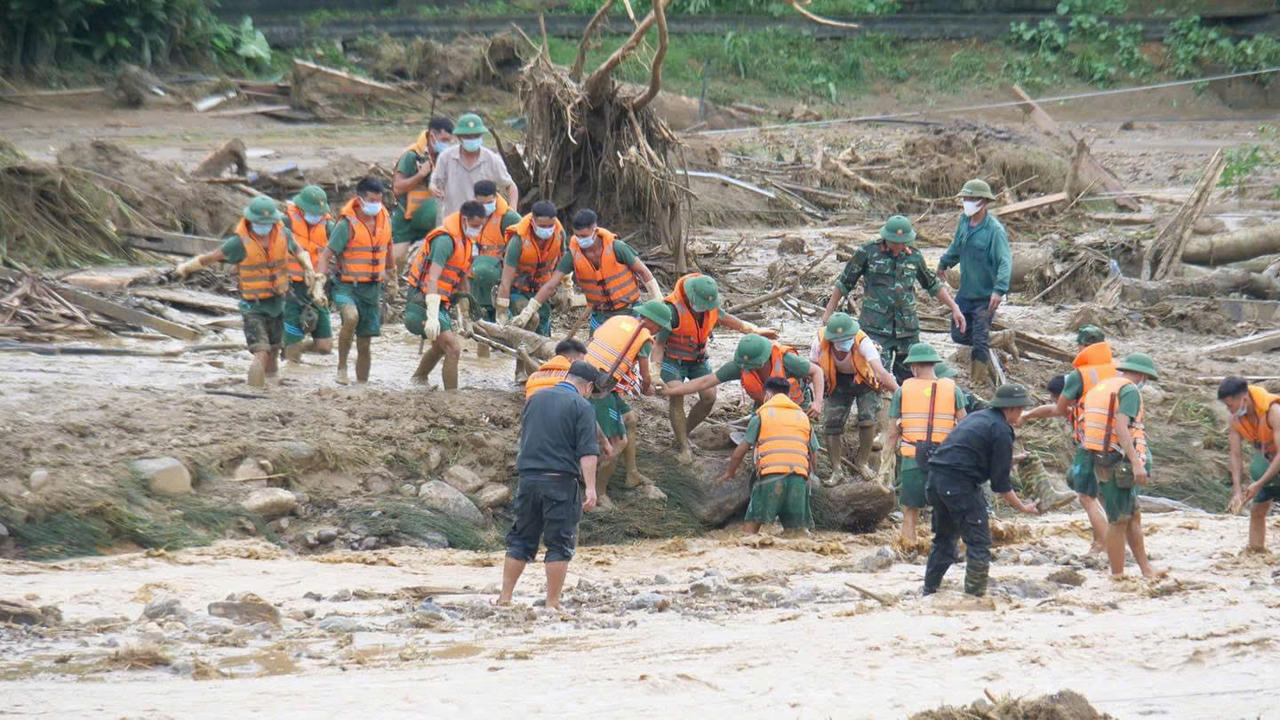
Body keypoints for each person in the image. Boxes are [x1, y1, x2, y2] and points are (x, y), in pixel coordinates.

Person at [174, 197, 324, 387]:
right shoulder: (238, 243)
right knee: (261, 352)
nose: (264, 227)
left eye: (268, 223)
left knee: (274, 351)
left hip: (278, 303)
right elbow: (212, 258)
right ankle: (254, 393)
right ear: (251, 221)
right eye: (260, 223)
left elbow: (299, 250)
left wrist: (308, 268)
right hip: (253, 306)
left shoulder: (282, 234)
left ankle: (271, 386)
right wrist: (187, 267)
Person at [497, 360, 601, 611]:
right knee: (559, 543)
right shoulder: (582, 406)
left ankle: (505, 598)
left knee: (520, 539)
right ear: (587, 386)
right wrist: (591, 488)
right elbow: (588, 453)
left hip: (528, 478)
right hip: (560, 482)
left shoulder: (536, 398)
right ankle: (552, 603)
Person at [923, 384, 1039, 597]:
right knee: (979, 543)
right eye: (1021, 409)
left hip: (935, 481)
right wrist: (1023, 507)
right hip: (960, 486)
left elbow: (969, 454)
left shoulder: (978, 418)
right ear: (1012, 408)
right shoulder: (1002, 430)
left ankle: (929, 591)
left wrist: (1010, 460)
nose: (1021, 414)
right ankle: (974, 598)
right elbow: (1000, 485)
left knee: (944, 540)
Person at [822, 215, 966, 383]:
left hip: (907, 330)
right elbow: (844, 283)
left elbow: (932, 284)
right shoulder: (867, 252)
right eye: (895, 242)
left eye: (903, 242)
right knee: (874, 376)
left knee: (913, 378)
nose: (899, 246)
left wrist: (954, 308)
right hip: (876, 328)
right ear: (885, 238)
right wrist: (828, 313)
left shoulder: (915, 257)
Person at [652, 273, 777, 464]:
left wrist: (754, 330)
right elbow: (658, 344)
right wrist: (655, 371)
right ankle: (684, 447)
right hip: (673, 359)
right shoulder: (672, 311)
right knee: (676, 396)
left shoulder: (710, 307)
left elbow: (728, 319)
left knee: (709, 398)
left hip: (698, 358)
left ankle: (682, 434)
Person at [1022, 325, 1116, 552]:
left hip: (1091, 441)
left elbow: (1058, 409)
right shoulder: (1115, 371)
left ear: (1083, 347)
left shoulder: (1079, 376)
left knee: (1087, 496)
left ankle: (1102, 544)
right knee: (1107, 495)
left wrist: (1027, 415)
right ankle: (1114, 542)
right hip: (1118, 440)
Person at [1080, 353, 1166, 579]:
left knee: (1132, 515)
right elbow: (1121, 427)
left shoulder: (1102, 387)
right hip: (1117, 460)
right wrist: (1137, 462)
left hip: (1100, 457)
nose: (1143, 381)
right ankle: (1117, 576)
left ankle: (1146, 570)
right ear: (1140, 374)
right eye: (1145, 377)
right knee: (1118, 520)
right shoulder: (1129, 391)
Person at [583, 300, 673, 509]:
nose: (659, 331)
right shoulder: (643, 338)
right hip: (598, 391)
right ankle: (599, 493)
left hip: (589, 379)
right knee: (616, 443)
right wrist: (649, 389)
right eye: (659, 326)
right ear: (650, 321)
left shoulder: (618, 320)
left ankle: (631, 473)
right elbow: (645, 376)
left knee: (630, 419)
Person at [512, 209, 663, 333]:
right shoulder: (572, 256)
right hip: (600, 314)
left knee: (632, 351)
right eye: (577, 236)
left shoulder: (617, 247)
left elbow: (644, 273)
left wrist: (658, 302)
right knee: (593, 358)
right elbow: (551, 285)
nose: (581, 240)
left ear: (595, 231)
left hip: (629, 311)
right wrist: (529, 311)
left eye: (584, 236)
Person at [887, 343, 968, 550]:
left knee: (910, 509)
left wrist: (885, 462)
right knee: (949, 506)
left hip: (913, 456)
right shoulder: (953, 389)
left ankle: (908, 547)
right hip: (945, 458)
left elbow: (892, 432)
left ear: (914, 367)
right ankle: (951, 548)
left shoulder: (903, 391)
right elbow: (966, 426)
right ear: (933, 364)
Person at [317, 177, 397, 385]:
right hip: (346, 286)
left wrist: (393, 277)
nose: (376, 205)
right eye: (371, 200)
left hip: (372, 289)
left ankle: (363, 386)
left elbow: (388, 250)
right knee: (350, 318)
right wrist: (319, 283)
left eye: (379, 200)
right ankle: (341, 367)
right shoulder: (346, 224)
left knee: (365, 343)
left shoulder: (385, 220)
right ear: (360, 200)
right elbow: (326, 256)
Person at [717, 377, 821, 536]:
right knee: (797, 536)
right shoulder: (803, 417)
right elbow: (814, 454)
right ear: (788, 395)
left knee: (749, 533)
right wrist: (811, 475)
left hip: (771, 479)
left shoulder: (761, 415)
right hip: (798, 480)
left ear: (767, 395)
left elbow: (740, 451)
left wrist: (730, 472)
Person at [936, 179, 1012, 391]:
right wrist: (943, 264)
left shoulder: (994, 230)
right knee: (958, 333)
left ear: (983, 202)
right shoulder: (963, 222)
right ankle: (1001, 338)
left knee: (979, 338)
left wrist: (999, 289)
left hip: (985, 295)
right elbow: (956, 247)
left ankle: (977, 381)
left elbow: (1005, 261)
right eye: (965, 198)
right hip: (966, 291)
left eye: (971, 199)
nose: (966, 202)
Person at [404, 201, 485, 390]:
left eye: (480, 226)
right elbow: (432, 279)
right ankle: (451, 397)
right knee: (453, 348)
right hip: (422, 299)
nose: (477, 230)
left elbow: (463, 279)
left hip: (441, 301)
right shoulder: (445, 240)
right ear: (464, 220)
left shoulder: (467, 241)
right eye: (474, 226)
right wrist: (432, 317)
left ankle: (418, 379)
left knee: (439, 347)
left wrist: (467, 315)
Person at [811, 312, 897, 486]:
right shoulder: (819, 342)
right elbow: (814, 371)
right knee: (831, 425)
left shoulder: (863, 342)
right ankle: (836, 470)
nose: (845, 342)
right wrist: (817, 399)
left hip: (865, 379)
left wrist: (899, 392)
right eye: (840, 339)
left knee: (867, 419)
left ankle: (862, 462)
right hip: (837, 380)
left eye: (848, 338)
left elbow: (880, 372)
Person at [662, 334, 825, 417]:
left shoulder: (786, 360)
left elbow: (816, 371)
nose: (748, 370)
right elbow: (706, 381)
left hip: (796, 405)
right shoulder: (740, 366)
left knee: (801, 438)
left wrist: (817, 403)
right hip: (765, 405)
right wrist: (672, 391)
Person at [1220, 376, 1280, 551]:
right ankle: (1256, 552)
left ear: (1243, 399)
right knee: (1257, 511)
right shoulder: (1236, 419)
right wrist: (1237, 491)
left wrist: (1259, 484)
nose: (1229, 410)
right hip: (1269, 459)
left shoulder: (1274, 412)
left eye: (1230, 405)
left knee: (1261, 474)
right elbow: (1235, 455)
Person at [429, 113, 517, 225]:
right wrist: (434, 188)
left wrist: (512, 209)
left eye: (476, 136)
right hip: (453, 222)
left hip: (483, 225)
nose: (472, 139)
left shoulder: (492, 159)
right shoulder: (446, 157)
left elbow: (510, 186)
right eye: (467, 136)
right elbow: (435, 182)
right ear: (459, 137)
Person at [391, 116, 454, 270]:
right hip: (406, 216)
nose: (446, 144)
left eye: (449, 141)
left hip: (431, 216)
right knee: (396, 261)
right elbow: (398, 187)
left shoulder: (445, 158)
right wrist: (420, 175)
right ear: (432, 135)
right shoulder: (412, 156)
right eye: (443, 139)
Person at [282, 185, 334, 363]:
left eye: (319, 212)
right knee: (293, 357)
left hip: (317, 288)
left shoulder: (328, 226)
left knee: (325, 347)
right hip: (291, 290)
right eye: (313, 212)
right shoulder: (285, 223)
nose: (316, 216)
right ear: (301, 209)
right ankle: (290, 348)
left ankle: (289, 346)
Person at [496, 200, 564, 337]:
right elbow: (506, 281)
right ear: (532, 222)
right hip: (518, 291)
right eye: (542, 226)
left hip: (542, 290)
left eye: (549, 226)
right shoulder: (518, 241)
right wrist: (502, 310)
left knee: (544, 333)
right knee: (531, 319)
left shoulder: (559, 234)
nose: (547, 230)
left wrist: (566, 287)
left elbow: (563, 261)